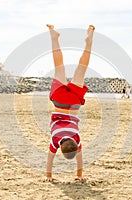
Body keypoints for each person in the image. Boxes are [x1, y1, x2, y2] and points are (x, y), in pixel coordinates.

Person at [45, 24, 95, 182]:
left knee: (82, 67)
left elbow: (79, 157)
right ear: (61, 148)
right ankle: (54, 37)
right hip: (59, 101)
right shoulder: (55, 140)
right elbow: (50, 159)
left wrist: (80, 174)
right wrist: (49, 176)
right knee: (58, 66)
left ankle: (89, 42)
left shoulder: (77, 138)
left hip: (73, 103)